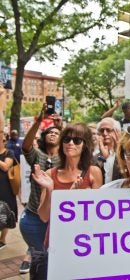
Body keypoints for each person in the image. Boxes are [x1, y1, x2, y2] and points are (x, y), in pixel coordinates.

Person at [32, 123, 103, 245]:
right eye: (66, 139)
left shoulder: (94, 172)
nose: (70, 143)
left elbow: (99, 216)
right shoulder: (50, 174)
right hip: (57, 240)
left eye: (77, 140)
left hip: (84, 240)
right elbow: (44, 217)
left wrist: (75, 198)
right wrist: (50, 190)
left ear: (84, 145)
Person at [19, 103, 62, 274]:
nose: (52, 134)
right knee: (40, 260)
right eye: (50, 132)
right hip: (35, 218)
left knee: (54, 259)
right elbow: (26, 146)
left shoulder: (65, 159)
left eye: (56, 133)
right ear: (44, 137)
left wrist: (61, 127)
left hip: (57, 218)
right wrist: (39, 120)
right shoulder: (38, 155)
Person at [0, 84, 16, 250]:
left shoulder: (9, 152)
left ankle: (3, 239)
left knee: (5, 212)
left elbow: (6, 167)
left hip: (5, 188)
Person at [95, 117, 122, 184]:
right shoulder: (95, 157)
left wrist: (119, 151)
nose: (105, 133)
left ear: (117, 132)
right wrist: (102, 158)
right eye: (101, 130)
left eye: (108, 130)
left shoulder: (125, 154)